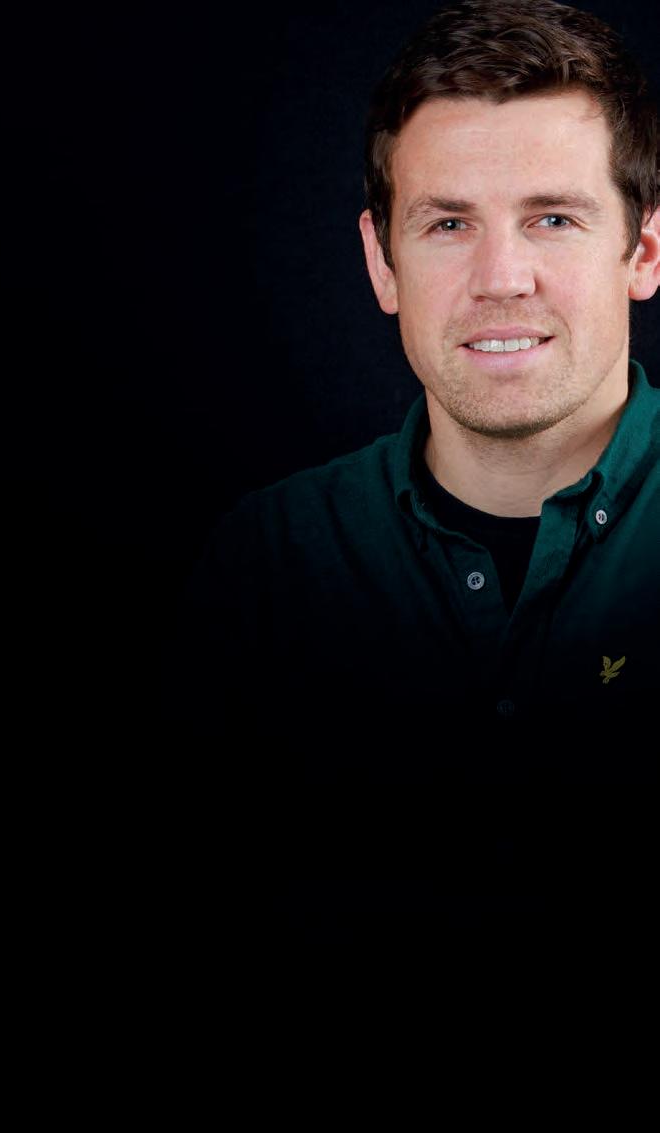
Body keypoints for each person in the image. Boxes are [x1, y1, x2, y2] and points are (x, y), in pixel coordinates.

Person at [159, 0, 660, 880]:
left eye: (552, 218)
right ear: (380, 261)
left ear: (644, 250)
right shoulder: (268, 564)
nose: (500, 280)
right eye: (448, 224)